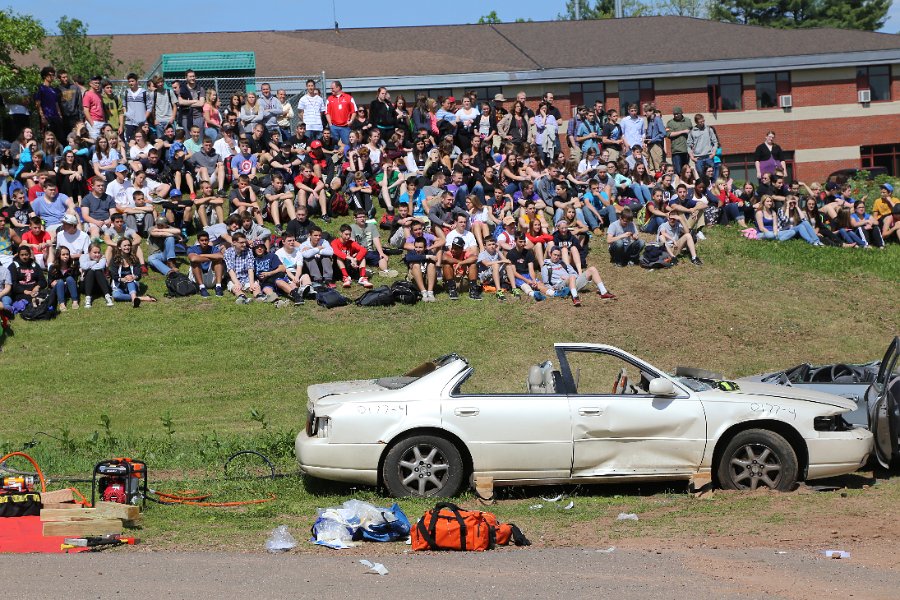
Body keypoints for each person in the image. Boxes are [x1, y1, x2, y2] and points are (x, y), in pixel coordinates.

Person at [541, 245, 614, 306]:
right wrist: (553, 288)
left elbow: (574, 273)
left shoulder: (562, 263)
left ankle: (604, 292)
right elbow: (546, 283)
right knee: (571, 277)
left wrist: (569, 278)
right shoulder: (546, 267)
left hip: (572, 281)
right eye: (554, 255)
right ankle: (575, 297)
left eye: (558, 255)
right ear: (550, 254)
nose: (556, 257)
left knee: (592, 269)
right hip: (560, 285)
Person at [251, 239, 304, 304]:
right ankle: (278, 301)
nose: (259, 249)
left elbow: (282, 268)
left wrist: (269, 273)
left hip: (276, 277)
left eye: (261, 247)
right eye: (257, 247)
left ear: (264, 248)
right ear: (254, 249)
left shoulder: (271, 256)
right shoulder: (253, 260)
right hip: (265, 282)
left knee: (279, 282)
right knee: (266, 289)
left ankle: (297, 296)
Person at [350, 210, 396, 278]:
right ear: (355, 218)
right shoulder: (352, 227)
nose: (362, 219)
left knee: (382, 258)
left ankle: (385, 271)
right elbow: (352, 242)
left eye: (364, 217)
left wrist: (381, 253)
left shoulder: (371, 226)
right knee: (359, 260)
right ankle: (364, 272)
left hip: (370, 251)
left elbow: (376, 239)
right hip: (358, 252)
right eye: (360, 217)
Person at [110, 238, 155, 307]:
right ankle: (141, 298)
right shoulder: (115, 260)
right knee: (116, 296)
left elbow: (138, 274)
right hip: (119, 285)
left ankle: (134, 299)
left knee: (130, 280)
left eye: (128, 245)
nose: (127, 247)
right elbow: (114, 275)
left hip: (131, 285)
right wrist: (123, 279)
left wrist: (134, 277)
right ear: (119, 247)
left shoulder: (134, 259)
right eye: (124, 245)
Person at [331, 224, 373, 289]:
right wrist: (351, 258)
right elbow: (336, 252)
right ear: (340, 233)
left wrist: (355, 260)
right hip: (338, 269)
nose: (348, 237)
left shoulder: (351, 243)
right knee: (339, 257)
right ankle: (346, 277)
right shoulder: (335, 242)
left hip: (350, 266)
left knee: (362, 257)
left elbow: (363, 250)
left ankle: (363, 278)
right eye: (346, 234)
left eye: (349, 234)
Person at [186, 230, 225, 297]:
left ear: (208, 240)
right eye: (202, 240)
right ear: (198, 241)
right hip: (197, 277)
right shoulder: (192, 248)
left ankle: (218, 286)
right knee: (195, 262)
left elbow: (220, 256)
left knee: (218, 261)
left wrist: (201, 255)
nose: (204, 242)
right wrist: (212, 257)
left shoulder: (213, 248)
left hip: (210, 277)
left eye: (206, 240)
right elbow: (193, 258)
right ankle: (202, 288)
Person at [79, 243, 114, 308]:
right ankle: (88, 298)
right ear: (89, 252)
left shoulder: (102, 257)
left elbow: (100, 266)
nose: (97, 255)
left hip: (100, 285)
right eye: (95, 252)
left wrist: (89, 266)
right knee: (91, 271)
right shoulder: (83, 256)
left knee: (97, 271)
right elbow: (83, 266)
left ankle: (107, 296)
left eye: (98, 252)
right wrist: (96, 261)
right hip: (86, 285)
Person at [476, 237, 511, 301]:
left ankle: (514, 288)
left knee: (508, 265)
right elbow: (487, 263)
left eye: (493, 244)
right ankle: (498, 291)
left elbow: (505, 260)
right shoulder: (482, 254)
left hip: (496, 275)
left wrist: (498, 250)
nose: (492, 246)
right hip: (486, 277)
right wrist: (500, 261)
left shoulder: (497, 253)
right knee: (495, 265)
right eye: (489, 245)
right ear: (485, 246)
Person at [404, 236, 437, 301]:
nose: (418, 249)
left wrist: (429, 256)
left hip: (427, 280)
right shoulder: (412, 253)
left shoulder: (429, 252)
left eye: (420, 247)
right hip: (415, 281)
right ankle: (423, 293)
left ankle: (430, 293)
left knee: (431, 265)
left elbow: (435, 259)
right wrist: (426, 257)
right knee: (415, 265)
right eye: (416, 247)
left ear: (425, 247)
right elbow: (408, 258)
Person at [326, 80, 356, 147]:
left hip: (345, 127)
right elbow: (327, 113)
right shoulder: (329, 99)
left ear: (338, 87)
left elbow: (354, 111)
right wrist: (330, 125)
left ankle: (347, 157)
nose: (331, 90)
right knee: (335, 146)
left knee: (347, 145)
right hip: (334, 127)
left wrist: (351, 121)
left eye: (332, 88)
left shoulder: (349, 97)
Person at [48, 246, 80, 311]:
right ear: (58, 255)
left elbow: (75, 280)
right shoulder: (53, 267)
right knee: (60, 282)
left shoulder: (73, 266)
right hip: (58, 289)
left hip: (69, 288)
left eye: (67, 254)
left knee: (70, 279)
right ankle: (61, 303)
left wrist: (64, 282)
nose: (66, 256)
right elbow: (49, 282)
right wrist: (53, 283)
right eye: (63, 254)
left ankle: (75, 301)